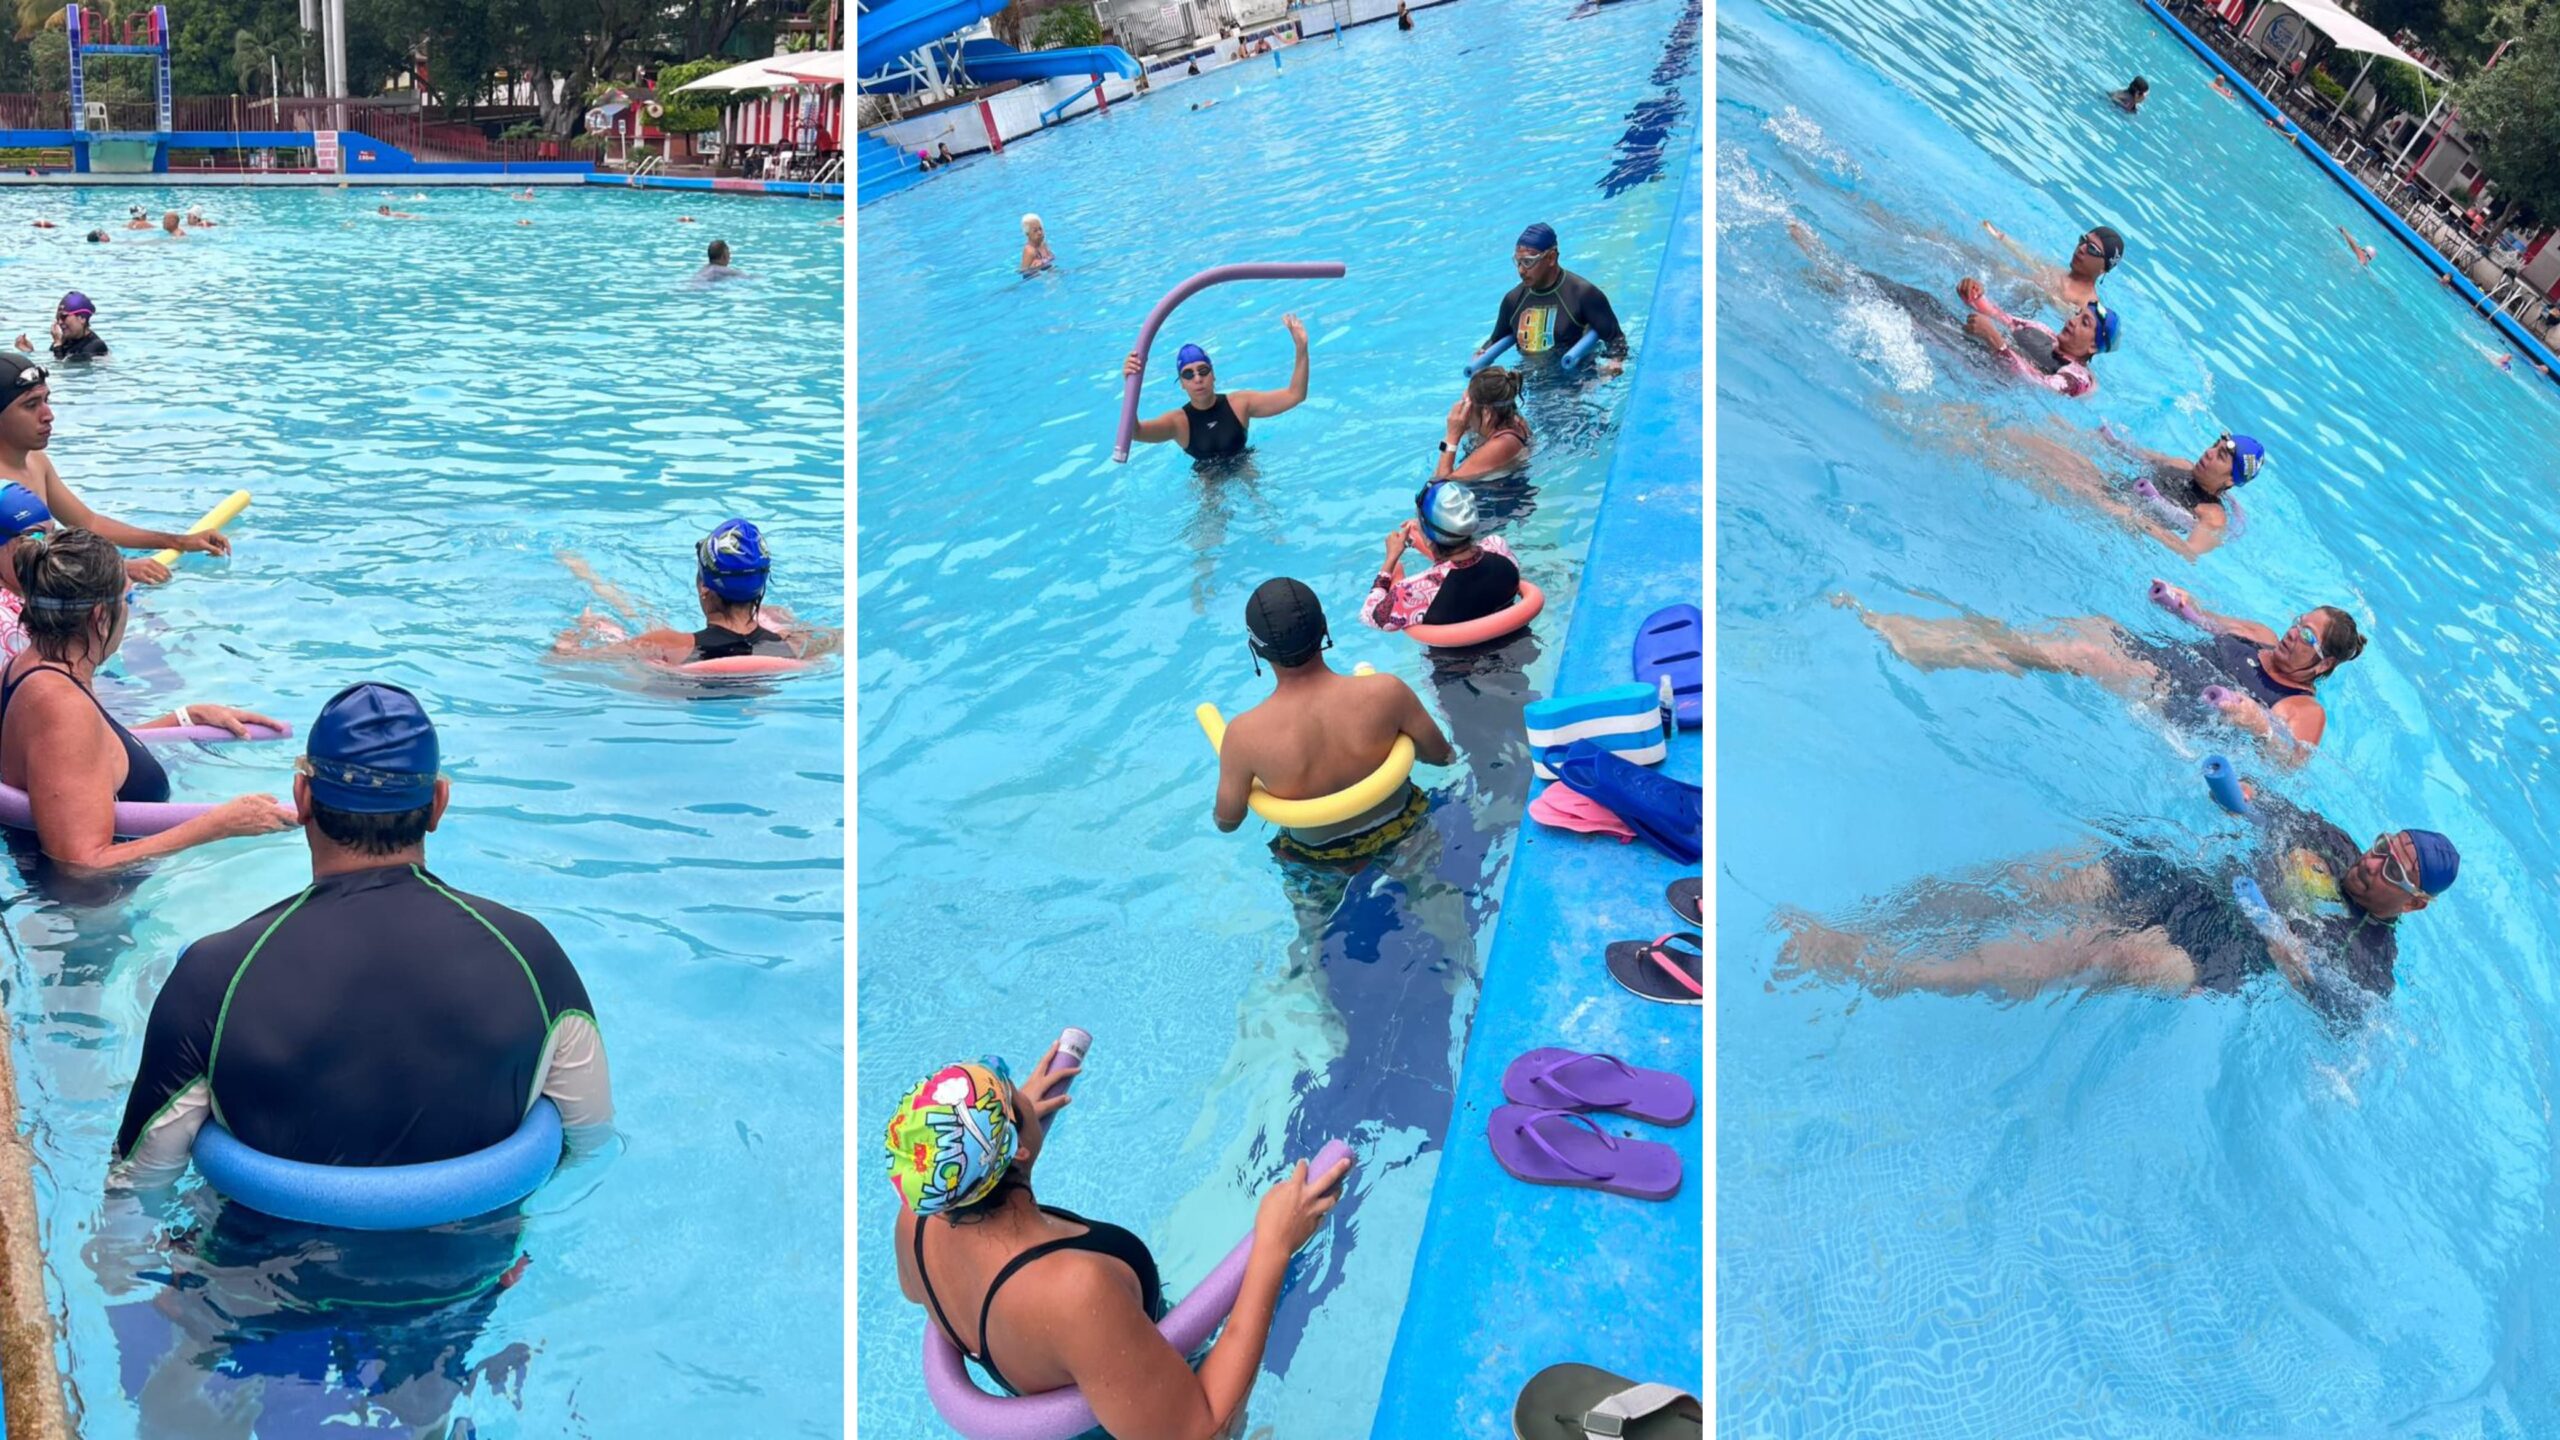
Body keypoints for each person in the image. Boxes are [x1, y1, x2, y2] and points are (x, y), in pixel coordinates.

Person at [109, 681, 612, 1182]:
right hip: (481, 1257)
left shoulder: (212, 978)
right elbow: (589, 1144)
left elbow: (138, 1189)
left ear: (302, 796)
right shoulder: (533, 958)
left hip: (255, 1260)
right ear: (438, 803)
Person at [889, 1049, 1350, 1437]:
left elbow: (923, 1289)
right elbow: (1199, 1427)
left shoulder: (917, 1221)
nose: (1022, 1089)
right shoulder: (1071, 1292)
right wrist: (1274, 1244)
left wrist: (1012, 1119)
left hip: (1095, 1370)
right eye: (1010, 1087)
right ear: (1017, 1148)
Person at [1776, 797, 2458, 1024]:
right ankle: (1877, 919)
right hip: (2183, 883)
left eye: (2390, 870)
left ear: (2416, 902)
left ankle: (1883, 968)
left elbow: (2344, 1012)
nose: (2369, 863)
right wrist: (2231, 788)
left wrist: (2278, 937)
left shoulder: (2369, 957)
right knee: (2038, 879)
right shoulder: (2330, 841)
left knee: (2100, 953)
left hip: (2210, 956)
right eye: (2379, 847)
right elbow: (2255, 802)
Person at [0, 528, 290, 870]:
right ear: (99, 616)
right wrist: (220, 824)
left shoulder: (32, 668)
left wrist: (183, 719)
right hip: (94, 915)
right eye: (128, 600)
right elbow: (81, 864)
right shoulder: (61, 705)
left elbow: (81, 758)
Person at [1835, 581, 2364, 764]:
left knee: (2084, 656)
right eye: (2299, 623)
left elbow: (2289, 757)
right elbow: (2204, 618)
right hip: (2157, 658)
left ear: (2326, 663)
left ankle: (1934, 646)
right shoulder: (2259, 634)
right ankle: (1960, 646)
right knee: (2090, 628)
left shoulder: (2305, 707)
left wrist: (2253, 717)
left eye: (2309, 637)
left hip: (2171, 702)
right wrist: (2179, 603)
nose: (2294, 634)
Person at [1214, 579, 1455, 856]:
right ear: (1325, 627)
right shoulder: (1387, 693)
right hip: (1410, 830)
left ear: (1255, 649)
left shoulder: (1244, 737)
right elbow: (1441, 757)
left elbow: (1228, 821)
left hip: (1318, 860)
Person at [0, 355, 228, 585]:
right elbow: (20, 572)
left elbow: (89, 523)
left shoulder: (36, 461)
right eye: (31, 405)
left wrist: (179, 542)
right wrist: (118, 569)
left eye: (46, 400)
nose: (48, 415)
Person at [552, 519, 835, 666]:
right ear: (760, 588)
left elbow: (563, 663)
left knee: (632, 615)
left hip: (679, 673)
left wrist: (575, 636)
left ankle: (580, 569)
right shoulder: (795, 647)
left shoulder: (666, 644)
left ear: (704, 588)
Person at [1121, 314, 1310, 463]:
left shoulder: (1240, 403)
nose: (1197, 378)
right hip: (1208, 478)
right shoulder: (1177, 422)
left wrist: (1301, 348)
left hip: (1243, 463)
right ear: (1182, 384)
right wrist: (1130, 383)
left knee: (1264, 508)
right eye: (1188, 374)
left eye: (1203, 371)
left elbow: (1296, 395)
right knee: (1210, 507)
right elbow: (1135, 432)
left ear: (1214, 375)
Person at [1362, 483, 1520, 633]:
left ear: (1429, 537)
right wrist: (1427, 530)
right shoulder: (1498, 547)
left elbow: (1370, 616)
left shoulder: (1414, 591)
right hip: (1518, 649)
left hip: (1452, 660)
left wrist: (1390, 560)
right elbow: (1461, 567)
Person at [1485, 222, 1627, 369]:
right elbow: (1495, 341)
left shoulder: (1583, 294)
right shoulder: (1513, 300)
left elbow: (1616, 341)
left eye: (1528, 262)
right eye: (1518, 262)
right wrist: (1481, 356)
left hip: (1577, 381)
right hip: (1529, 382)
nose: (1521, 270)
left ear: (1551, 258)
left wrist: (1613, 366)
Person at [1956, 278, 2114, 396]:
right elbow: (1999, 316)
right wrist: (1974, 295)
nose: (2072, 321)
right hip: (1980, 355)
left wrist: (1997, 343)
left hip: (1991, 386)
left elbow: (2039, 384)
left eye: (2084, 323)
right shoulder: (2041, 329)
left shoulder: (2078, 379)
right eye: (2077, 315)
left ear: (2093, 346)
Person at [1978, 221, 2122, 309]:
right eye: (2083, 240)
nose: (2082, 248)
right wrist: (2001, 238)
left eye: (2092, 249)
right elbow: (2030, 259)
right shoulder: (2057, 270)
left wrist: (2048, 295)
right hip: (1992, 283)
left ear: (2104, 268)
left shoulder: (2086, 305)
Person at [1433, 365, 1532, 479]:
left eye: (1467, 404)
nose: (1463, 408)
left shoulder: (1501, 444)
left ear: (1486, 413)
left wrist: (1452, 436)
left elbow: (1441, 483)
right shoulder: (1512, 419)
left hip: (1500, 495)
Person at [15, 291, 107, 362]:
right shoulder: (65, 340)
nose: (59, 322)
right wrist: (30, 352)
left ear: (82, 318)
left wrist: (58, 344)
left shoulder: (96, 346)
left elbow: (63, 369)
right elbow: (54, 361)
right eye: (58, 318)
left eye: (64, 317)